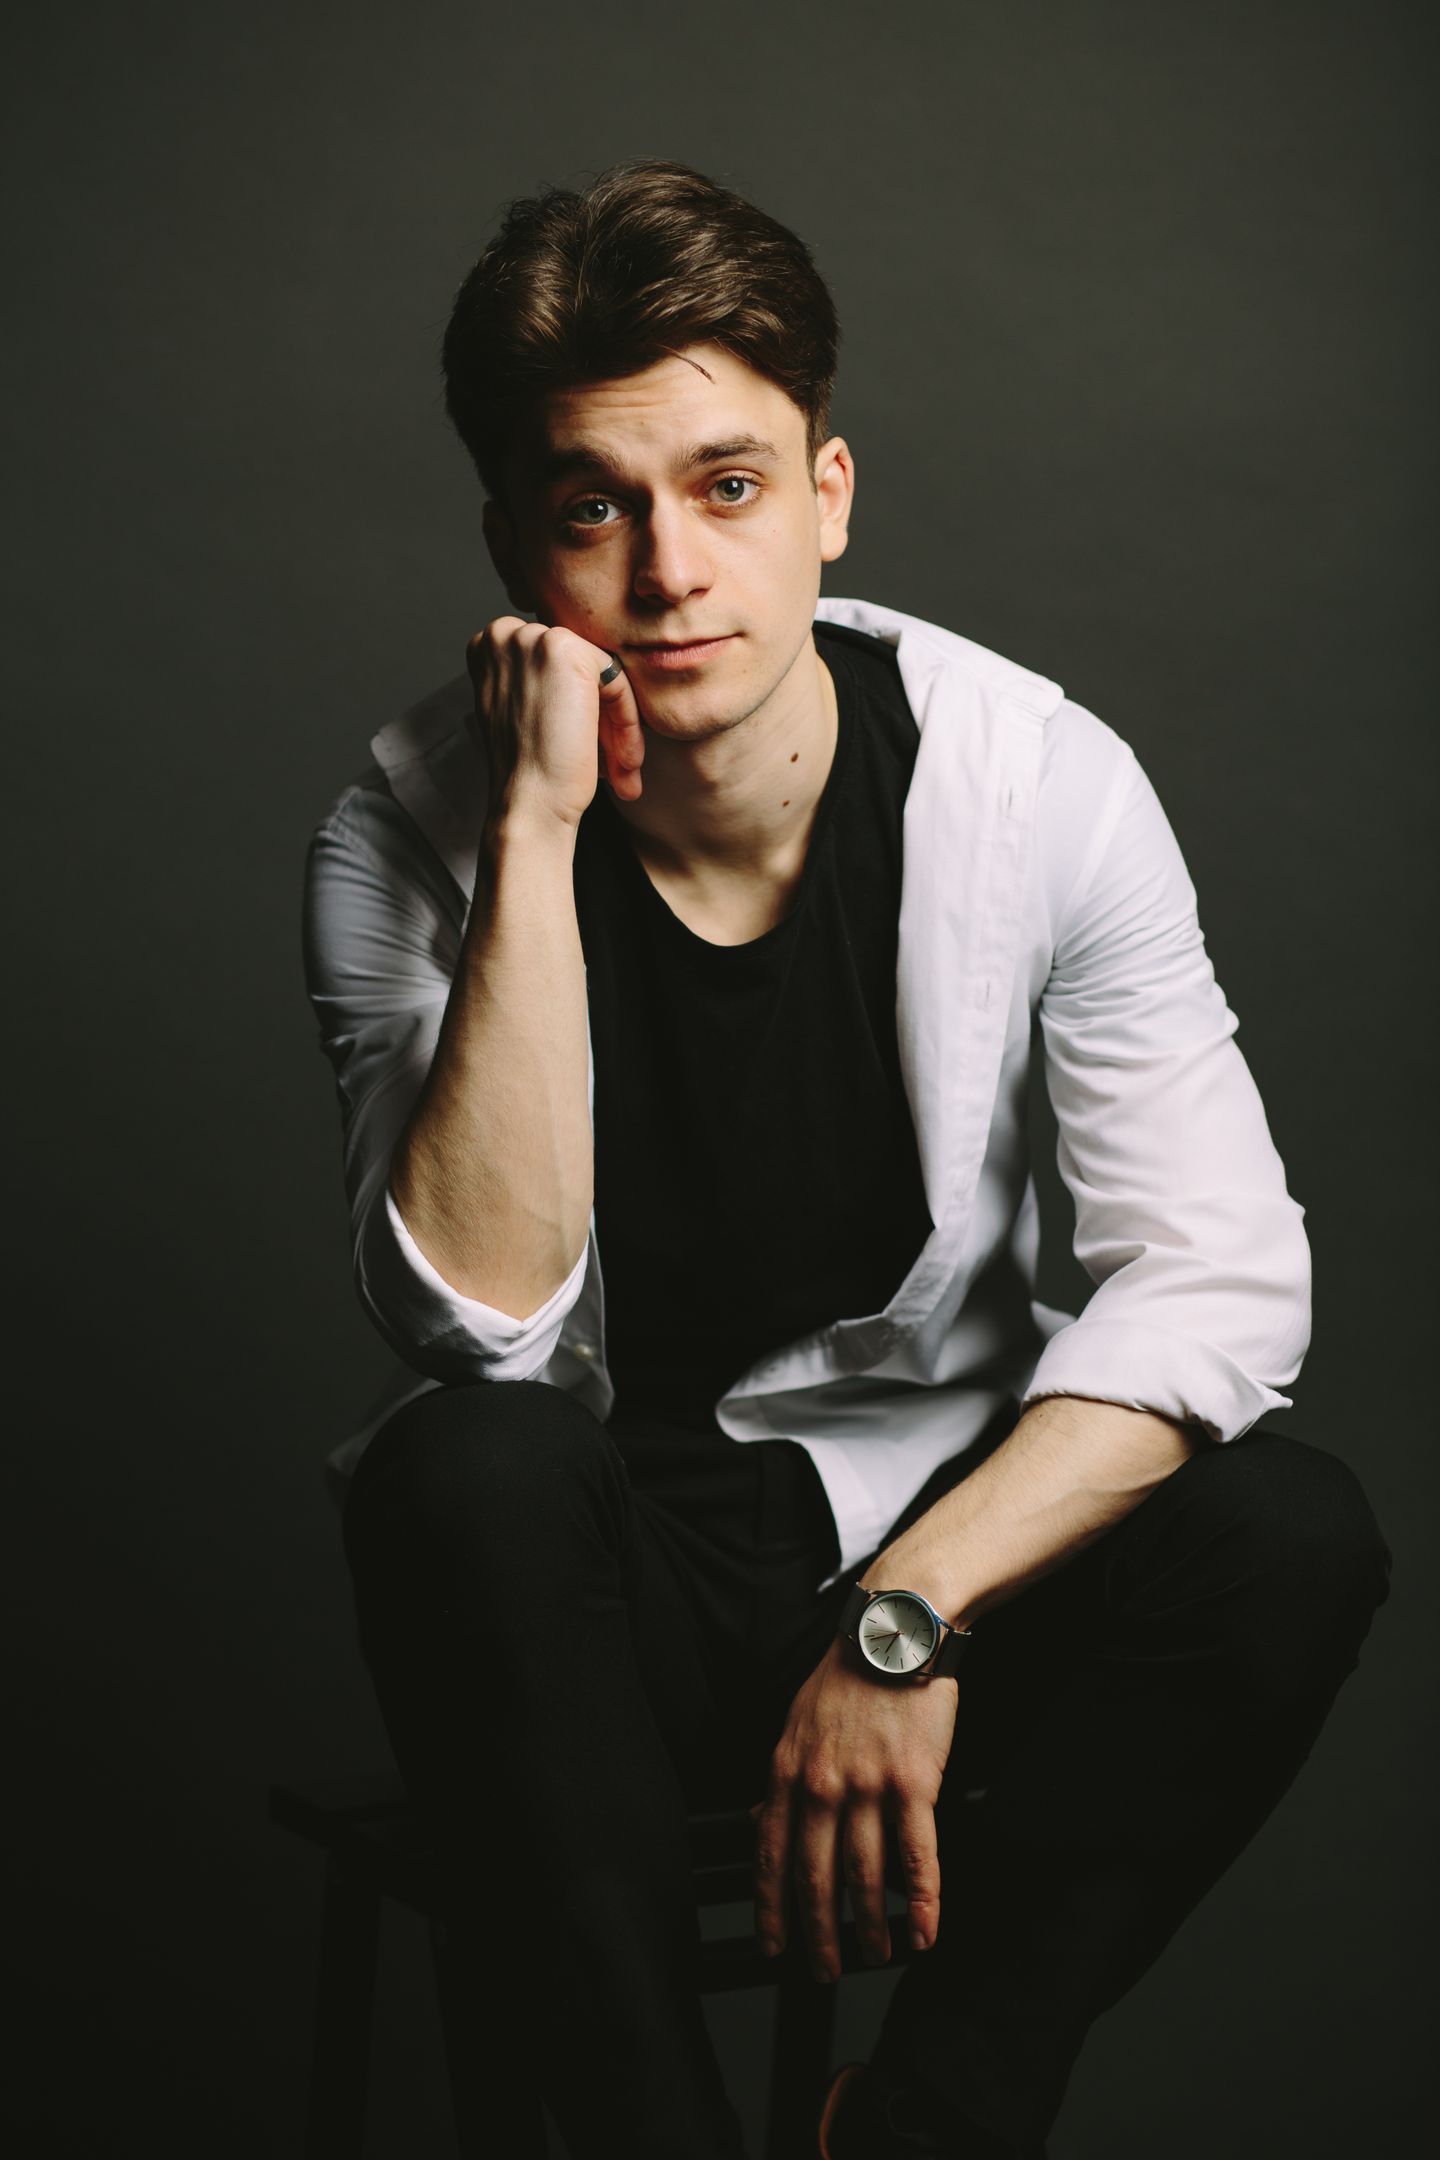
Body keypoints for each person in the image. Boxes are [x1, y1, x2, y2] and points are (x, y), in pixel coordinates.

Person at [300, 158, 1393, 2160]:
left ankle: (924, 2131)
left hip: (937, 1542)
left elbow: (1223, 1283)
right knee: (465, 1471)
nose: (669, 571)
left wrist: (912, 1614)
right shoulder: (412, 832)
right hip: (597, 1621)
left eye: (727, 486)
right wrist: (533, 834)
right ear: (512, 547)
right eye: (591, 510)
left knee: (1291, 1534)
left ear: (829, 494)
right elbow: (479, 1324)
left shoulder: (1034, 781)